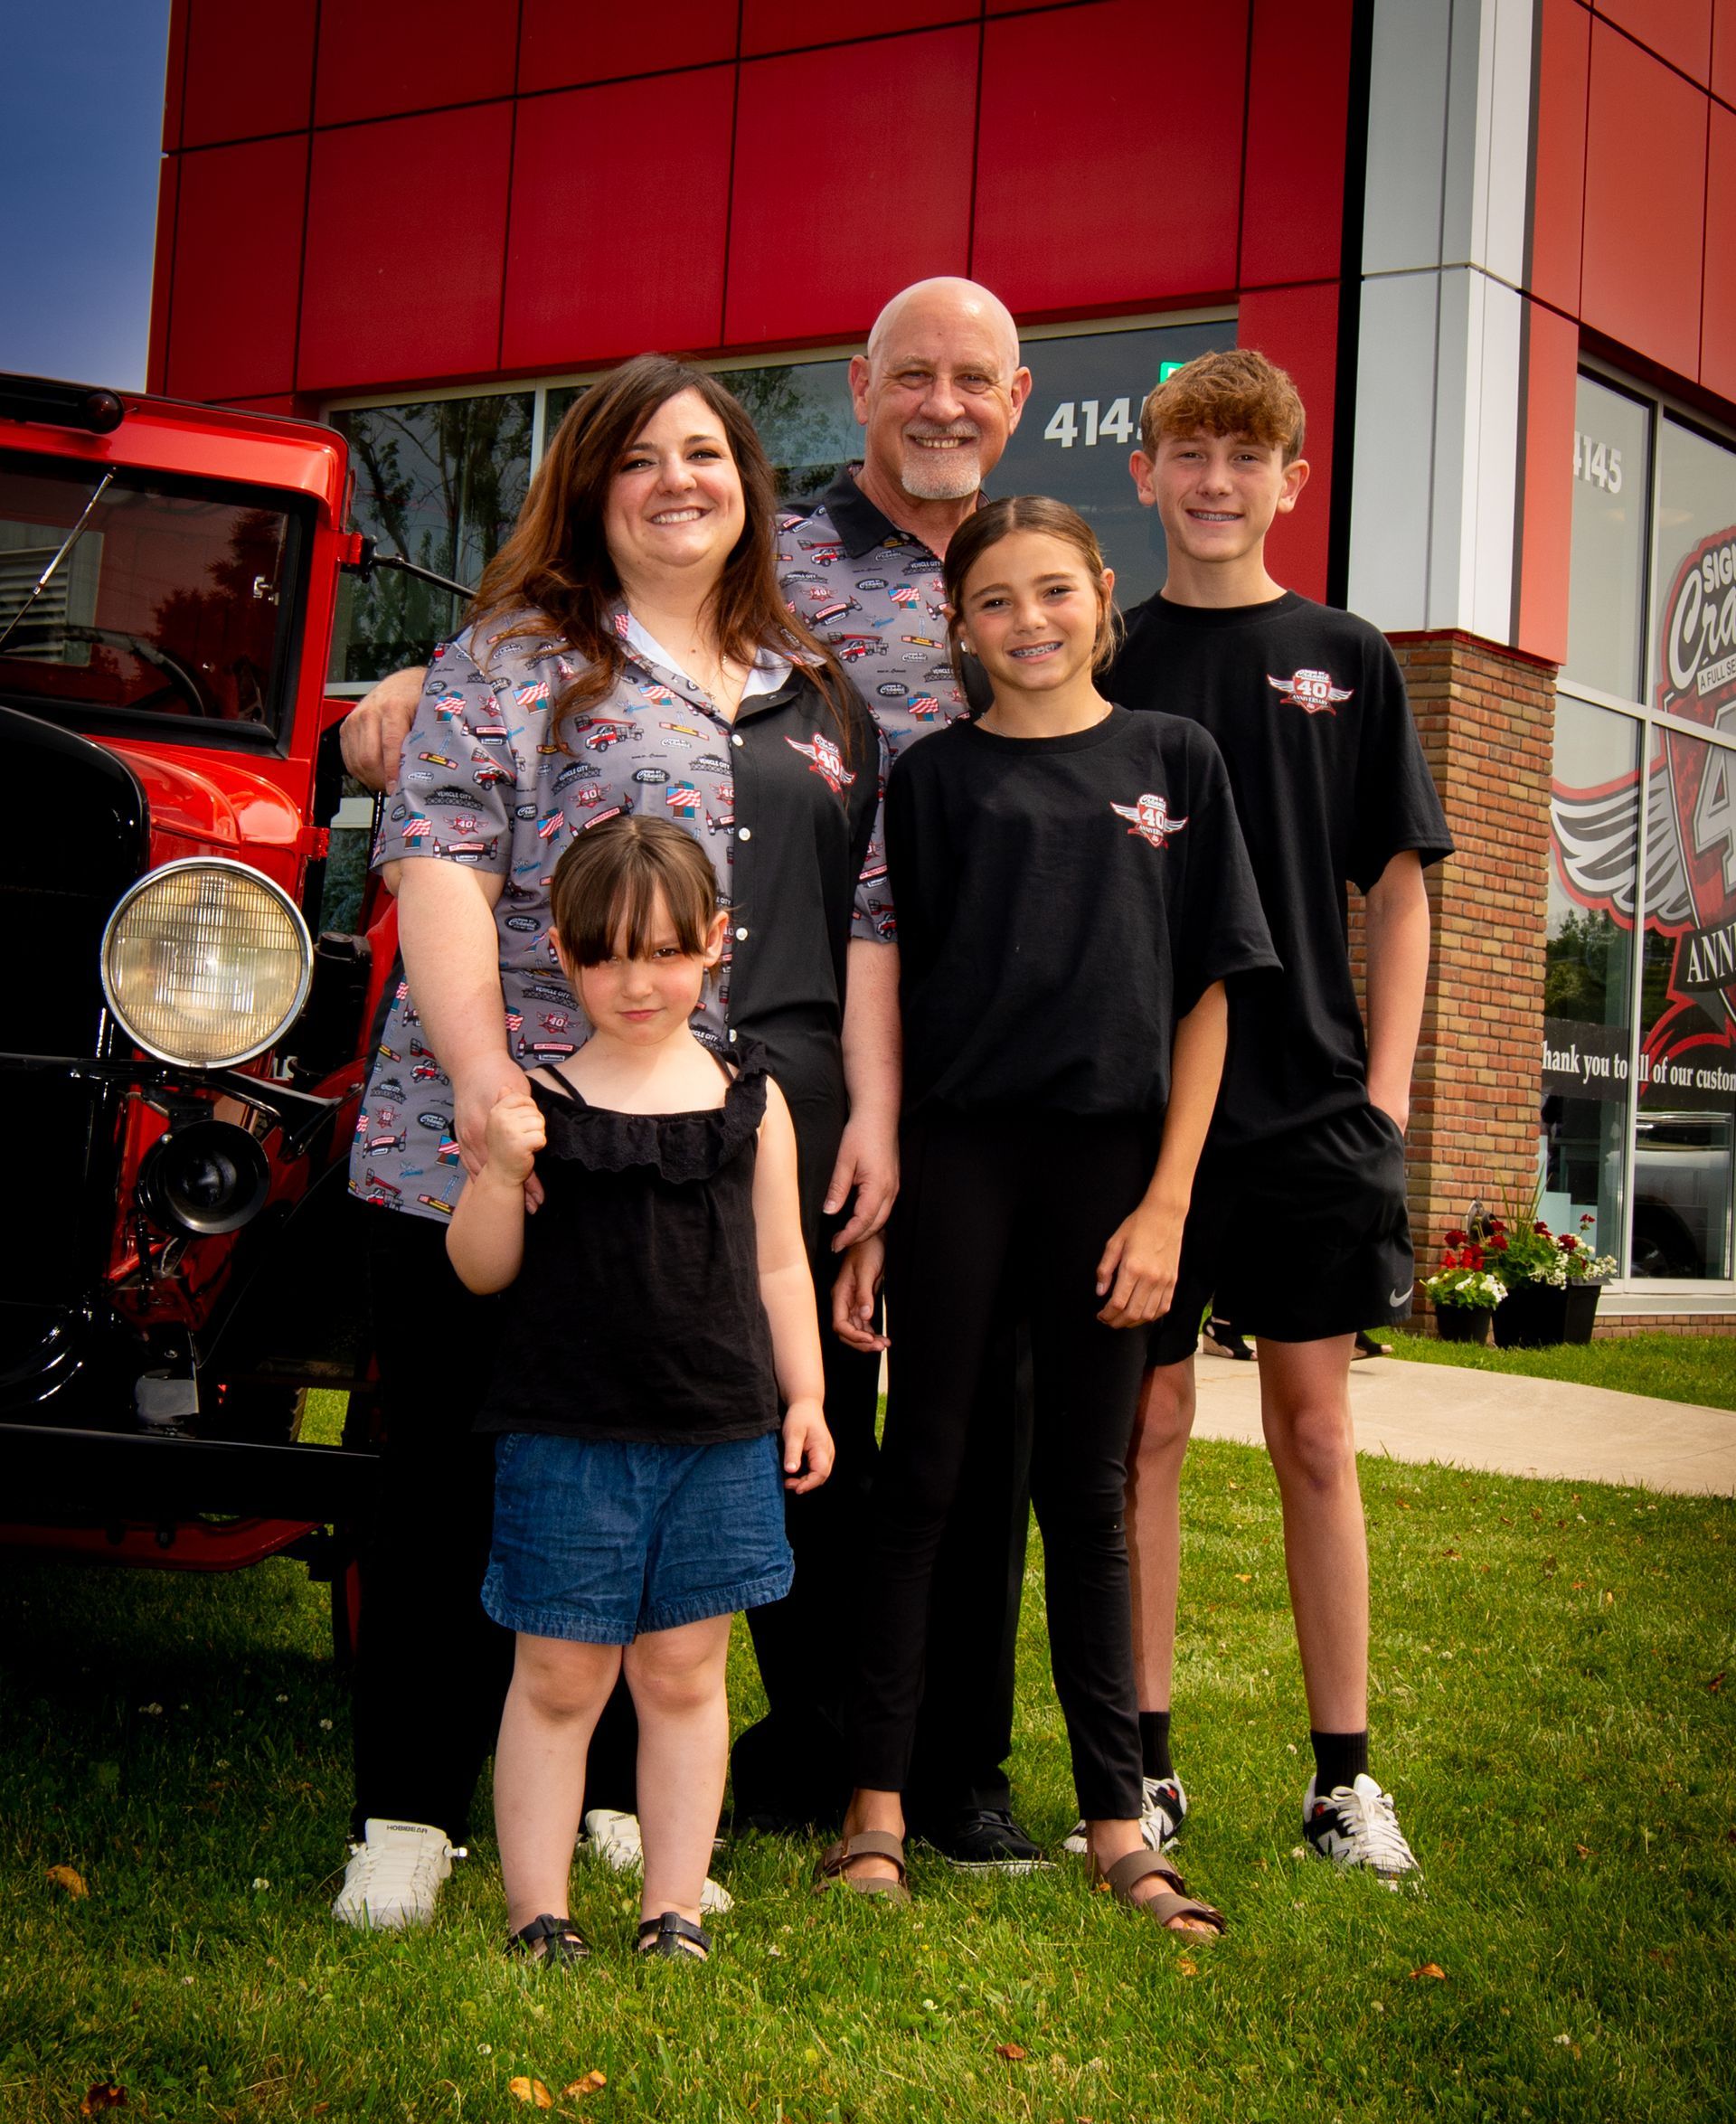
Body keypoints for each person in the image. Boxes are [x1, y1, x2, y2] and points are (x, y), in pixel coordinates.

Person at [339, 278, 1056, 1874]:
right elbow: (442, 862)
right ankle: (404, 1816)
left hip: (699, 1165)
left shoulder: (808, 685)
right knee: (464, 1470)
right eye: (643, 459)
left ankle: (605, 1796)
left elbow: (864, 911)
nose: (680, 482)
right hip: (504, 1140)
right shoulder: (517, 658)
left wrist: (873, 1112)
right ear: (593, 490)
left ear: (748, 491)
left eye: (709, 457)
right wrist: (478, 1080)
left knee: (654, 1465)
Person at [826, 496, 1276, 1936]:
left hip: (1112, 1172)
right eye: (997, 602)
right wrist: (888, 1194)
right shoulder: (934, 781)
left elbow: (1208, 1000)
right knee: (926, 1480)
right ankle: (875, 1812)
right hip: (962, 1159)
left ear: (1103, 600)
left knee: (1088, 1494)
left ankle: (1118, 1828)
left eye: (1055, 592)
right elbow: (890, 976)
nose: (1030, 623)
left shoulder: (1175, 760)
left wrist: (1166, 1205)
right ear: (958, 628)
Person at [1098, 349, 1453, 1882]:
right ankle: (1147, 1766)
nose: (1218, 481)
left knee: (1316, 1432)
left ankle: (1342, 1783)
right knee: (1150, 1429)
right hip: (1142, 1114)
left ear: (1292, 484)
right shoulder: (1103, 653)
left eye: (1250, 458)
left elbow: (1403, 887)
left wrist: (1382, 1094)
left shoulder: (1348, 656)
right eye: (1192, 452)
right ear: (1148, 474)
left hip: (1311, 1109)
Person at [448, 817, 831, 1964]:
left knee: (683, 1672)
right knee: (559, 1673)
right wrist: (500, 1168)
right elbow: (481, 1268)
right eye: (607, 954)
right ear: (565, 957)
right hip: (567, 1435)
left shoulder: (750, 1102)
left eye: (665, 951)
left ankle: (676, 1906)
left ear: (715, 944)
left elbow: (778, 1264)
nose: (638, 980)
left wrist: (803, 1397)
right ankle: (540, 1912)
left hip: (716, 1434)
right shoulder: (540, 1105)